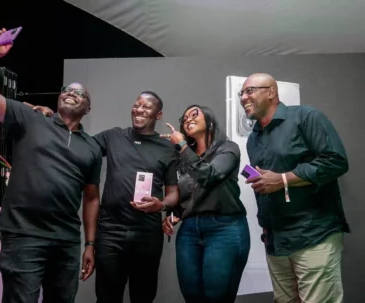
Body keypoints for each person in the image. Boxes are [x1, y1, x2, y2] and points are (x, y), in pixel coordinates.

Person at [0, 28, 103, 303]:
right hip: (23, 236)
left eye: (80, 93)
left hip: (66, 241)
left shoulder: (91, 146)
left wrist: (89, 244)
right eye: (67, 90)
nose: (71, 93)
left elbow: (91, 197)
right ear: (58, 97)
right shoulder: (29, 119)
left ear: (88, 108)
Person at [28, 91, 180, 303]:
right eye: (136, 105)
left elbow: (173, 194)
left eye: (146, 107)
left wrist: (161, 205)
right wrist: (54, 120)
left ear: (159, 115)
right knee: (107, 297)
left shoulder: (167, 148)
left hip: (147, 234)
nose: (139, 110)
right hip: (111, 232)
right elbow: (78, 144)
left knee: (143, 295)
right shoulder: (114, 136)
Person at [240, 73, 349, 303]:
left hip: (313, 234)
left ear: (271, 92)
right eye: (241, 93)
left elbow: (336, 161)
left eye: (250, 90)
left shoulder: (306, 116)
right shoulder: (253, 139)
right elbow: (266, 185)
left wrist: (283, 179)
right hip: (276, 240)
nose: (243, 97)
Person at [161, 105, 250, 303]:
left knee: (216, 296)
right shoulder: (184, 157)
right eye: (184, 118)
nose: (187, 119)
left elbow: (210, 175)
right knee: (192, 295)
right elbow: (189, 192)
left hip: (224, 228)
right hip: (190, 230)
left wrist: (182, 146)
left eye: (194, 114)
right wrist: (176, 213)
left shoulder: (228, 149)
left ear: (209, 121)